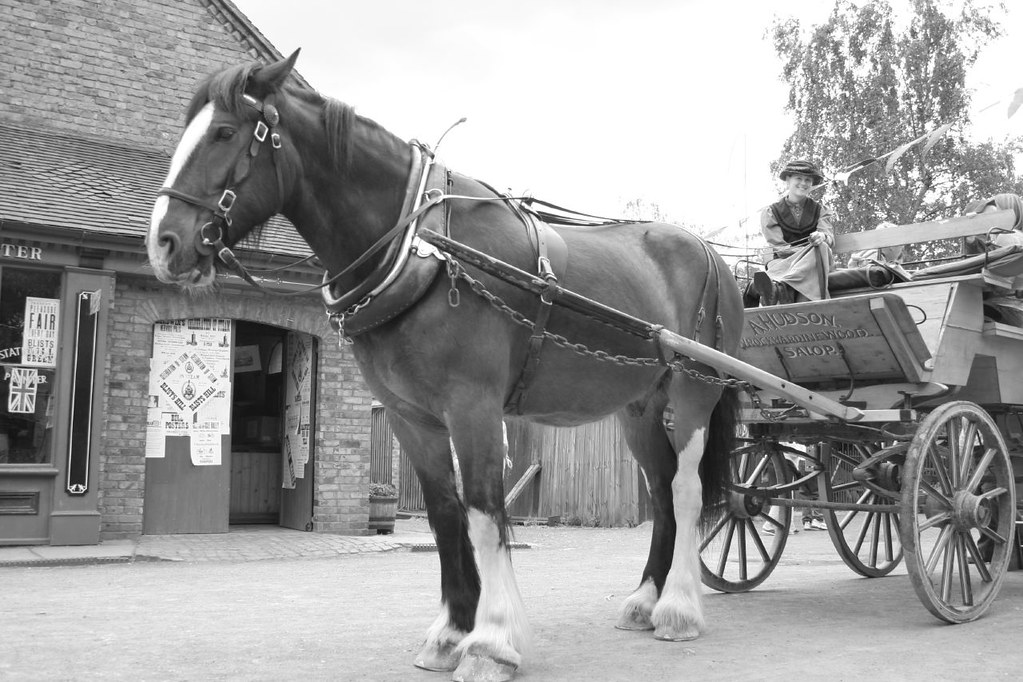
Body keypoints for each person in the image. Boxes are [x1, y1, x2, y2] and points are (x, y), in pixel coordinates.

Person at [751, 160, 837, 305]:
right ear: (788, 180)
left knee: (821, 247)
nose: (803, 183)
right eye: (799, 178)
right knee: (813, 258)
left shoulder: (821, 211)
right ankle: (807, 304)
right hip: (784, 262)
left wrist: (822, 237)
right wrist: (806, 253)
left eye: (808, 180)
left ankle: (779, 286)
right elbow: (780, 248)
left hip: (816, 260)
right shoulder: (771, 212)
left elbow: (829, 238)